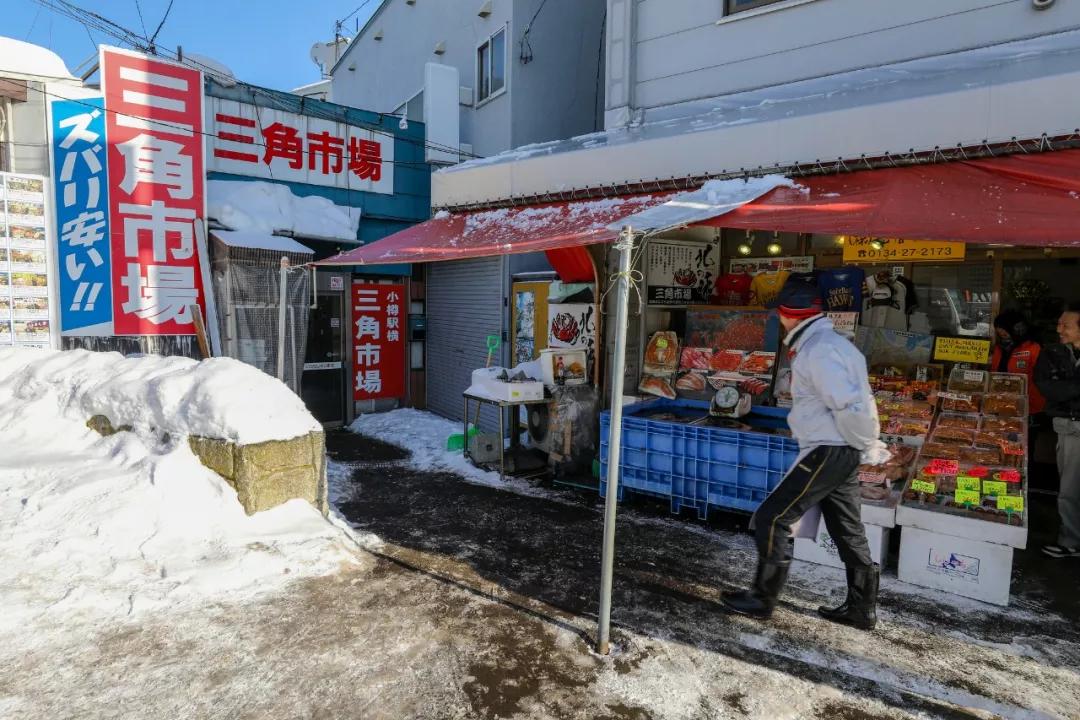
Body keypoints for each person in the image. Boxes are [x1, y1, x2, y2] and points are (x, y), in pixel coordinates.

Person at [722, 280, 887, 629]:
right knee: (848, 529)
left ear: (785, 315)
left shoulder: (819, 351)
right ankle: (861, 609)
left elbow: (850, 404)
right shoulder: (834, 345)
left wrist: (865, 442)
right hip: (842, 447)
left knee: (774, 517)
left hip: (832, 447)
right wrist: (864, 444)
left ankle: (761, 599)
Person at [1034, 301, 1080, 559]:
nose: (1058, 328)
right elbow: (1049, 388)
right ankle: (1071, 540)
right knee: (1070, 488)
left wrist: (1069, 386)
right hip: (1070, 428)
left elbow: (1063, 388)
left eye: (1066, 325)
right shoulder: (1053, 352)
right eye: (1059, 323)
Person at [991, 310, 1045, 414]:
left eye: (1003, 327)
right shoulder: (1000, 347)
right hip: (1002, 400)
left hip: (1027, 404)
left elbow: (1041, 379)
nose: (1000, 331)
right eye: (998, 327)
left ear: (1018, 328)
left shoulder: (1033, 348)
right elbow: (995, 371)